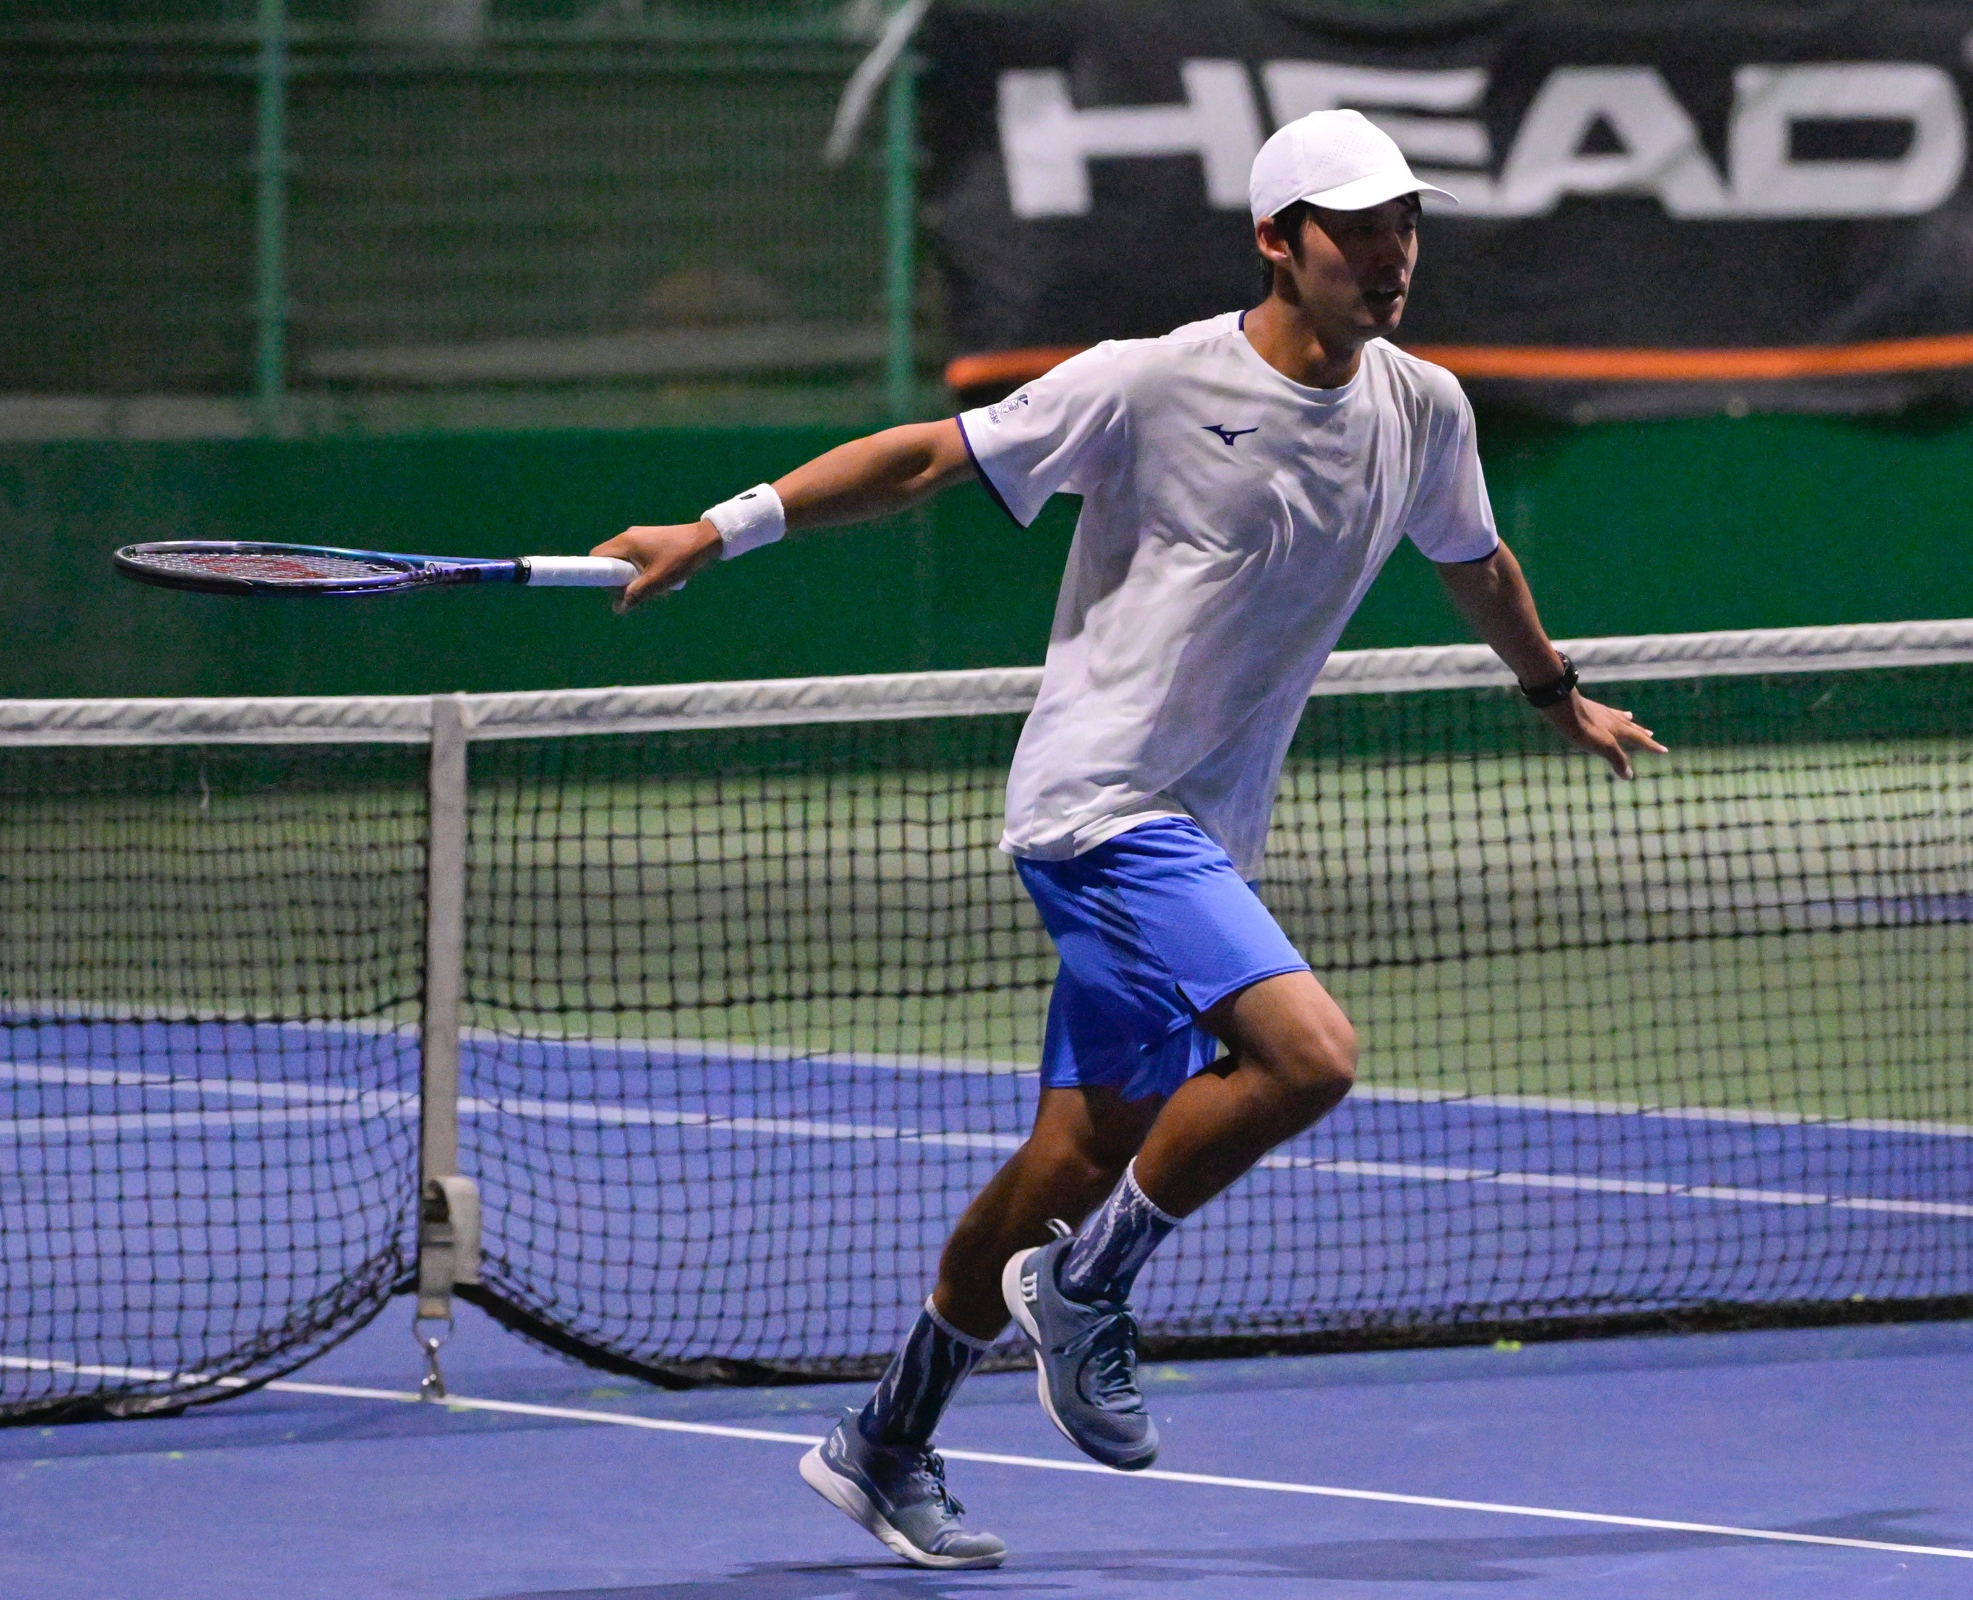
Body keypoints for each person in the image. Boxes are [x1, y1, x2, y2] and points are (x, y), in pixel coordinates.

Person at [594, 109, 1663, 1570]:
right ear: (1277, 239)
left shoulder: (1424, 409)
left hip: (1207, 828)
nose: (1393, 254)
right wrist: (717, 531)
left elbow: (1475, 561)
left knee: (1074, 1156)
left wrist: (1554, 691)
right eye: (1358, 229)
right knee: (1310, 1057)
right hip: (1102, 806)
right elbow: (926, 459)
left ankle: (885, 1440)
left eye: (1406, 224)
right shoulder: (1151, 382)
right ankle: (1088, 1288)